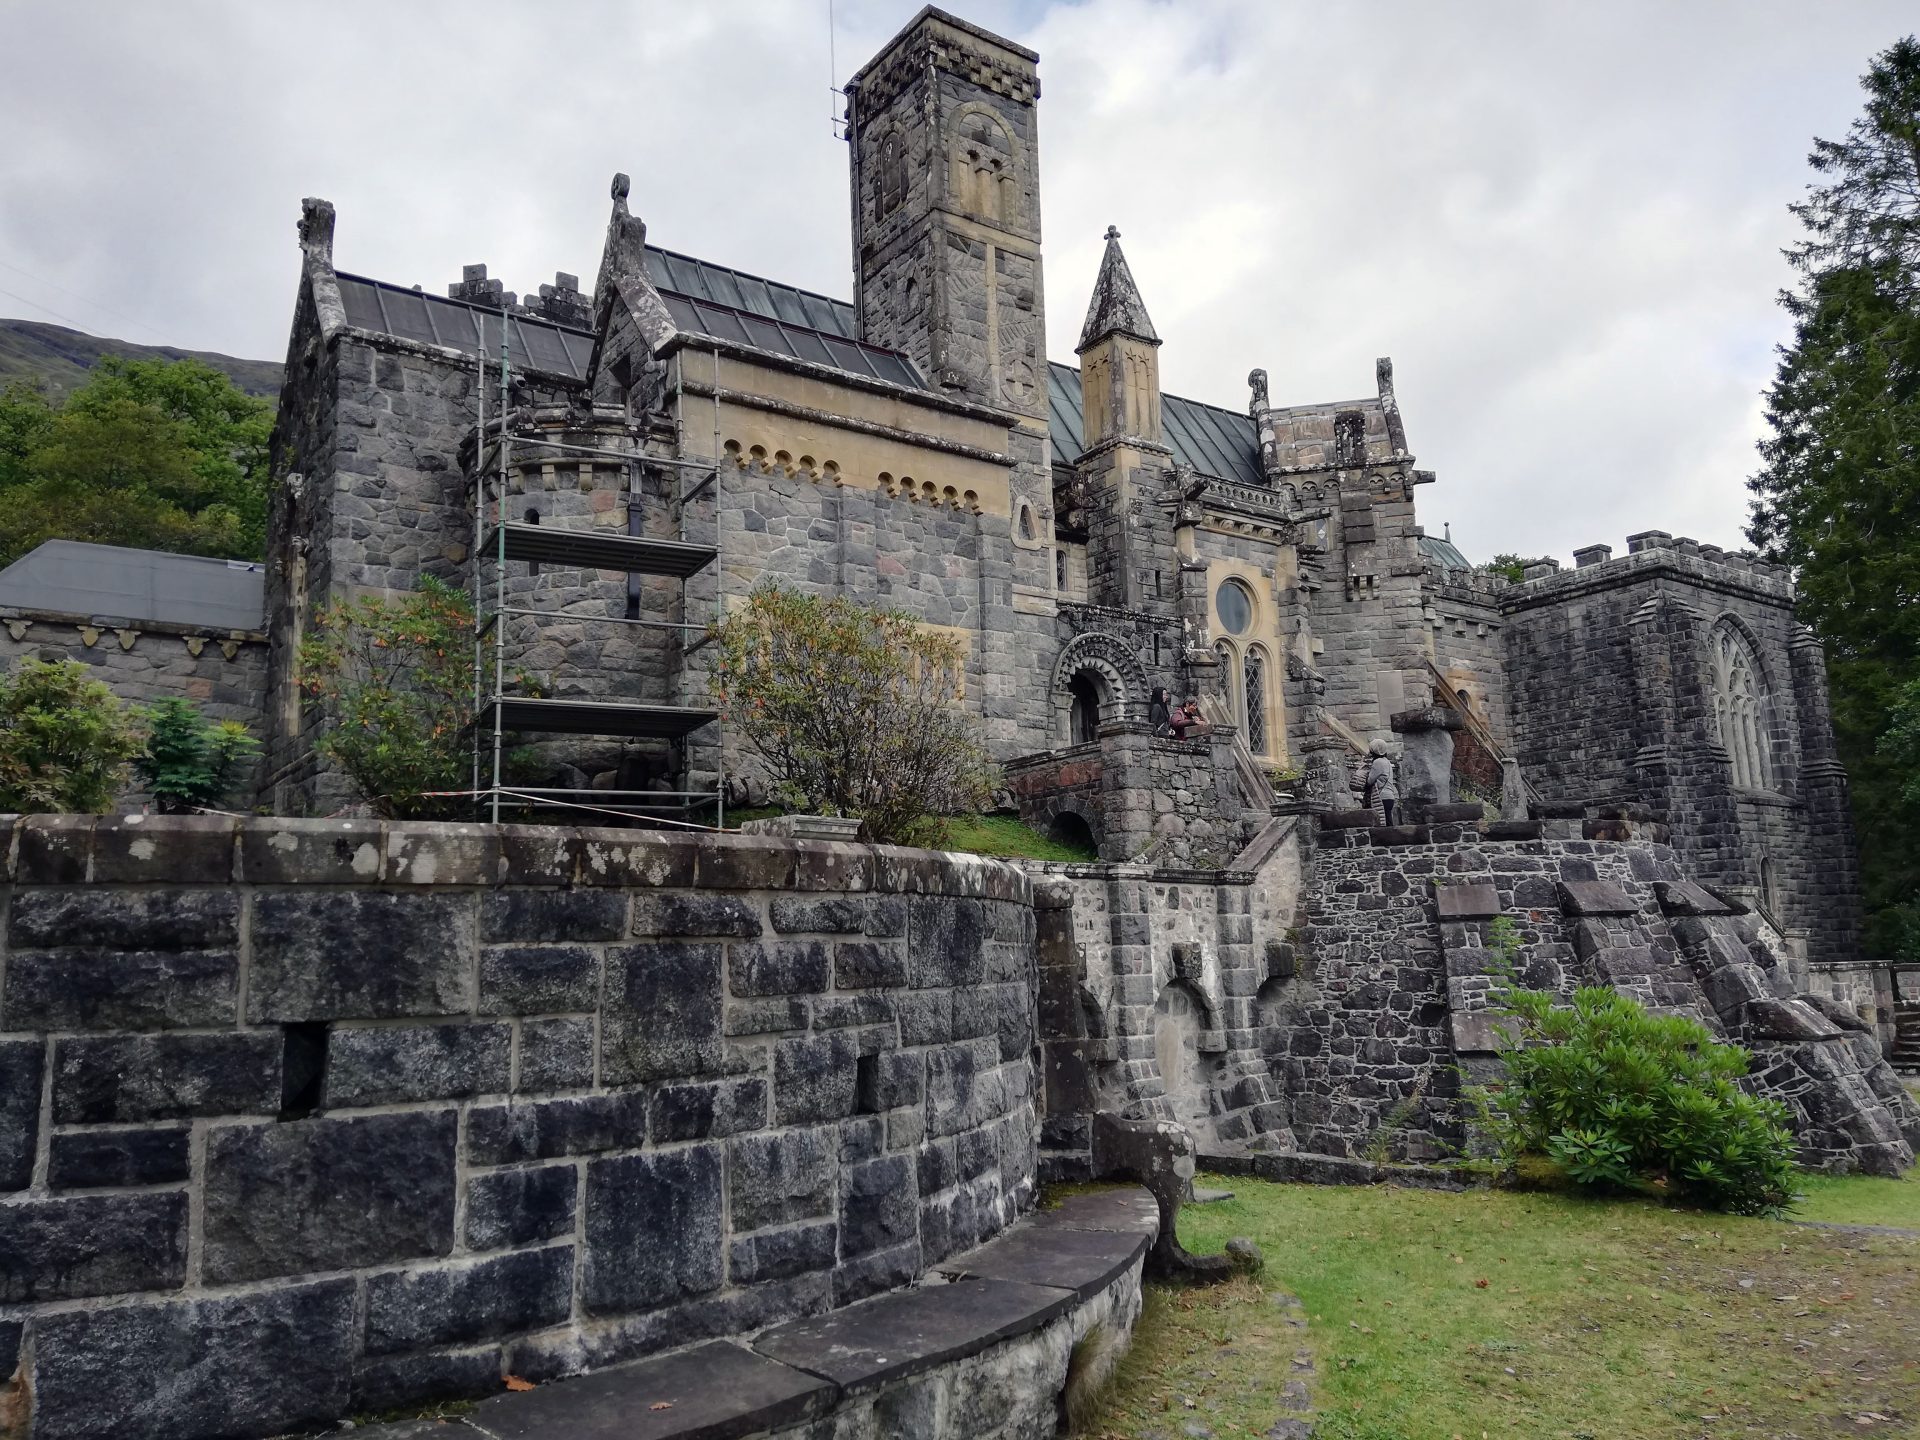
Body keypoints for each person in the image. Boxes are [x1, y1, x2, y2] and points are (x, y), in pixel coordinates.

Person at [1365, 739, 1398, 825]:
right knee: (1388, 822)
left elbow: (1369, 781)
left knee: (1381, 824)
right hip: (1390, 796)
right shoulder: (1387, 761)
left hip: (1381, 797)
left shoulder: (1378, 762)